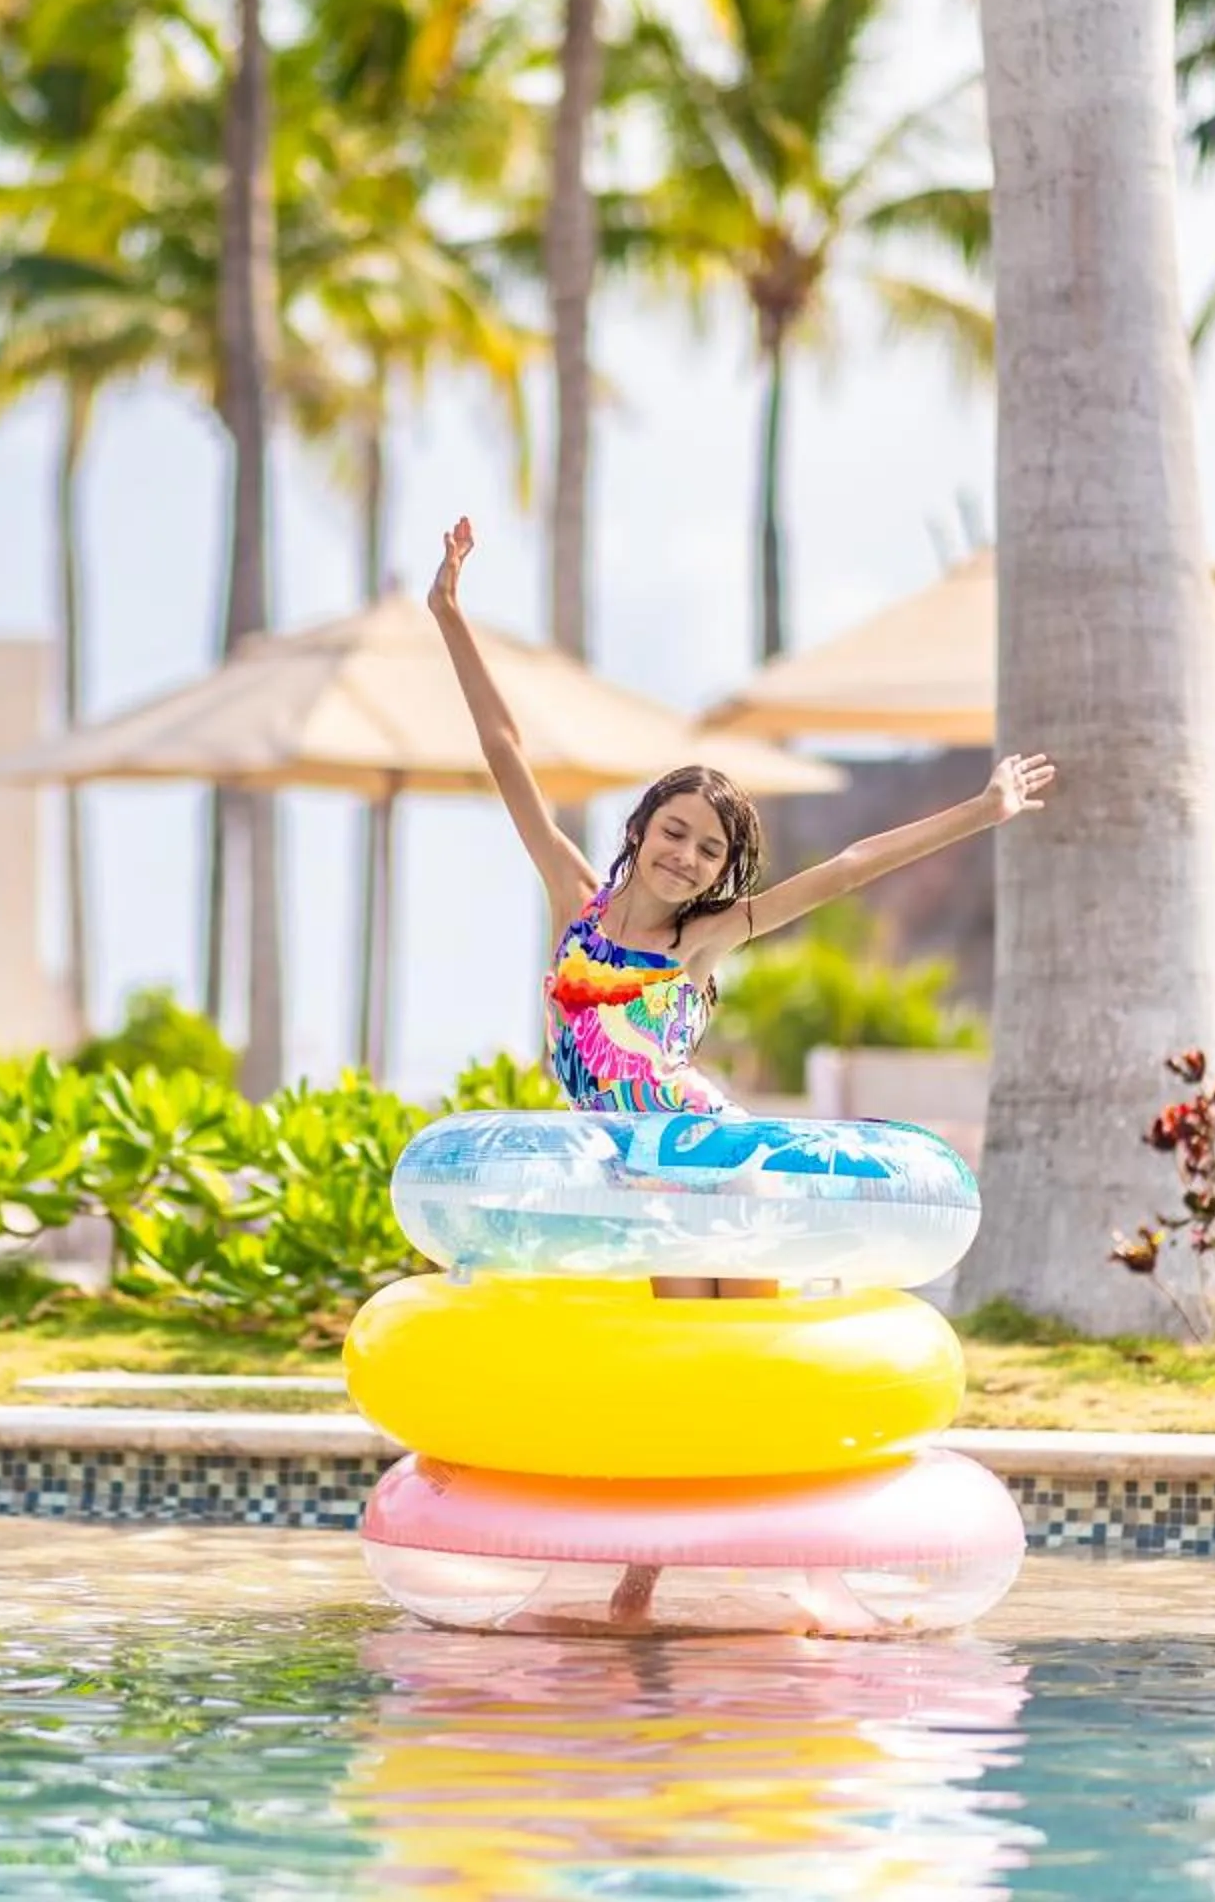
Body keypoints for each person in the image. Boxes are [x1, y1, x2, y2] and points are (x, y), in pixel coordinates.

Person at [430, 512, 1055, 1626]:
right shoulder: (573, 900)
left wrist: (983, 808)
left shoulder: (701, 943)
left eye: (709, 850)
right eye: (675, 832)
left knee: (744, 1358)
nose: (687, 856)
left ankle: (770, 1566)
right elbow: (506, 751)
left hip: (703, 1156)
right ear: (642, 828)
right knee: (688, 1359)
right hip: (630, 1164)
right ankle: (648, 1570)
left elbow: (852, 867)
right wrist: (448, 613)